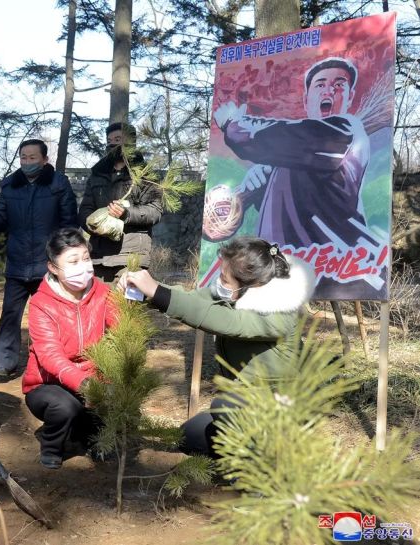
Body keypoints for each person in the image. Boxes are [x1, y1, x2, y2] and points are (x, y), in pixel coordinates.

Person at [118, 236, 315, 457]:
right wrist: (144, 290)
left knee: (225, 406)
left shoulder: (279, 312)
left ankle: (265, 469)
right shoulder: (238, 293)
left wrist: (157, 292)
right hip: (248, 403)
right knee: (189, 436)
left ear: (250, 286)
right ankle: (243, 451)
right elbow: (192, 299)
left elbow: (222, 320)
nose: (219, 283)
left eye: (224, 278)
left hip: (282, 406)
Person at [214, 57, 369, 252]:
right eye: (320, 85)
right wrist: (260, 186)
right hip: (283, 267)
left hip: (329, 273)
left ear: (350, 95)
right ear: (306, 99)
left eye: (339, 85)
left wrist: (234, 125)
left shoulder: (346, 130)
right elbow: (296, 210)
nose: (329, 90)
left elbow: (279, 137)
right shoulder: (295, 155)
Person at [0, 139, 78, 381]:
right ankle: (4, 362)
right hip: (18, 261)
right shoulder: (11, 185)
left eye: (33, 157)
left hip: (48, 264)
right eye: (23, 157)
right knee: (10, 314)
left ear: (44, 160)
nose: (27, 162)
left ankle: (54, 361)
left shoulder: (58, 183)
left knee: (52, 315)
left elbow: (69, 221)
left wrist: (63, 254)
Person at [22, 227, 116, 469]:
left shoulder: (103, 293)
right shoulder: (42, 303)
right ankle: (52, 446)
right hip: (49, 383)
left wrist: (131, 300)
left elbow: (123, 330)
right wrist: (86, 385)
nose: (83, 267)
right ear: (53, 267)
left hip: (95, 379)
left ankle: (90, 436)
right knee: (65, 407)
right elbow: (50, 357)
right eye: (73, 261)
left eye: (86, 258)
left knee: (112, 405)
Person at [78, 122, 163, 283]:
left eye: (118, 139)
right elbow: (85, 209)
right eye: (109, 140)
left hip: (131, 258)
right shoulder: (98, 174)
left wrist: (126, 215)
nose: (112, 143)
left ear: (131, 142)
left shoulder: (145, 175)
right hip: (98, 256)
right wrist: (92, 224)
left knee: (126, 306)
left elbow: (155, 210)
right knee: (99, 306)